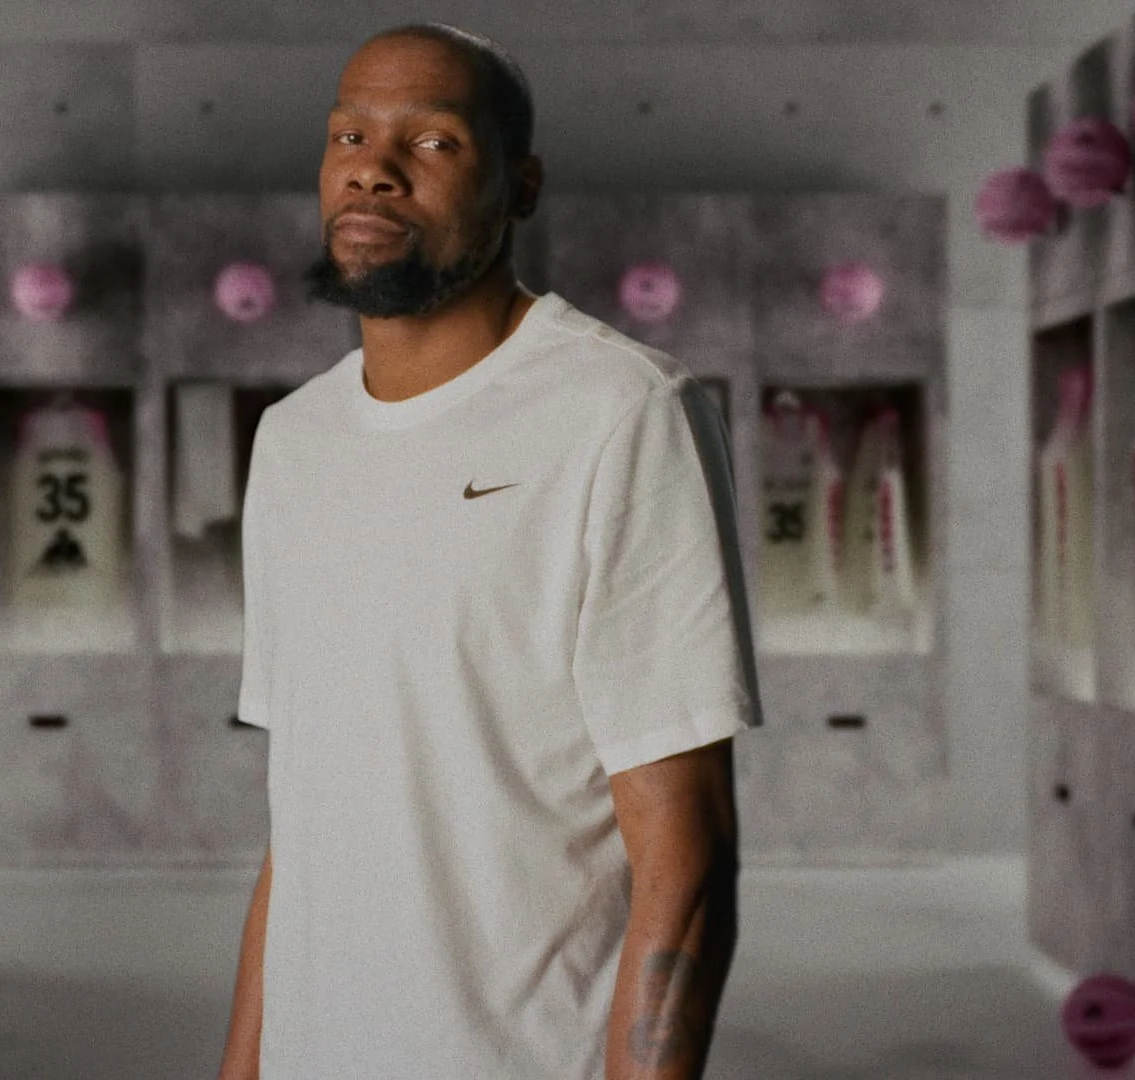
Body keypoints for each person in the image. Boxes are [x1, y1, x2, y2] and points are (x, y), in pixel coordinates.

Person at [217, 21, 763, 1080]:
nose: (371, 166)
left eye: (433, 143)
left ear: (522, 186)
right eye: (347, 136)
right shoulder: (294, 440)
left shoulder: (622, 411)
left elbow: (683, 850)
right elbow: (308, 822)